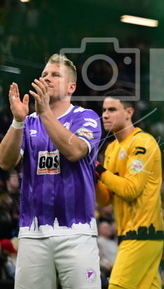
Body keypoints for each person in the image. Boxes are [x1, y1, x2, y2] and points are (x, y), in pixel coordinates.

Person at [0, 53, 102, 288]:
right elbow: (5, 162)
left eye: (56, 75)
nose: (47, 78)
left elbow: (75, 151)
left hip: (76, 232)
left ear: (71, 87)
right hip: (32, 232)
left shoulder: (86, 117)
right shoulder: (28, 123)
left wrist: (45, 112)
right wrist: (17, 121)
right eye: (45, 74)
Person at [95, 89, 164, 288]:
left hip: (143, 232)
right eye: (104, 110)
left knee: (117, 285)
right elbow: (105, 200)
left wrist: (100, 171)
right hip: (129, 235)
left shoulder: (142, 143)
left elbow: (131, 190)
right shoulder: (111, 148)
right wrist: (93, 178)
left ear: (129, 112)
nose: (105, 115)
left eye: (112, 110)